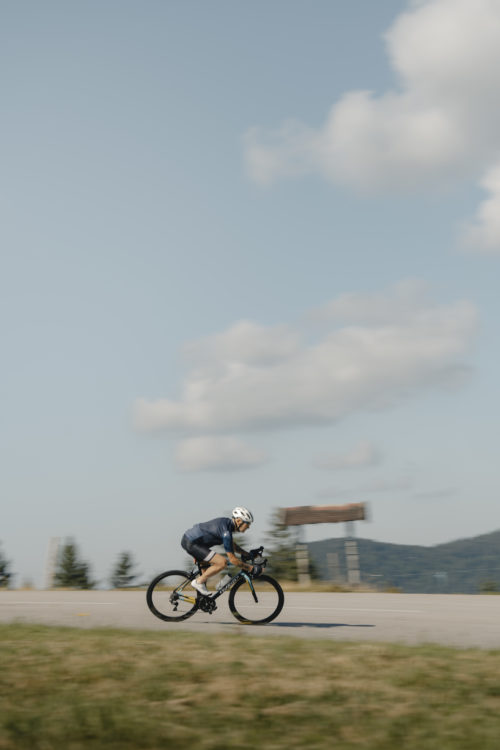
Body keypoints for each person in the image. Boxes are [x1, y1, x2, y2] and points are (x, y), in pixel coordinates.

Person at [181, 507, 255, 596]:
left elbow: (233, 546)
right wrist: (250, 568)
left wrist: (247, 554)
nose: (249, 526)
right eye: (247, 524)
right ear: (239, 521)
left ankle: (203, 600)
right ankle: (198, 582)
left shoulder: (227, 525)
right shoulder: (226, 532)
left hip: (193, 541)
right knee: (222, 563)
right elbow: (233, 560)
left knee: (206, 571)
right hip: (192, 543)